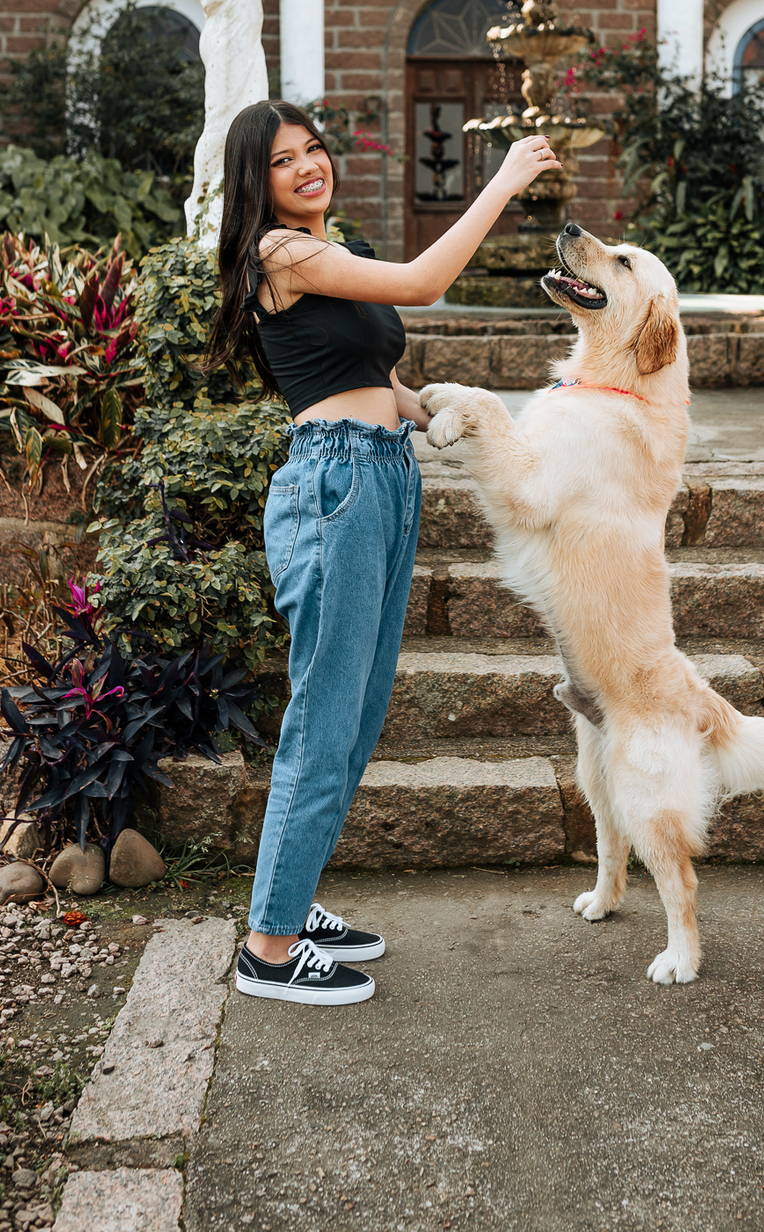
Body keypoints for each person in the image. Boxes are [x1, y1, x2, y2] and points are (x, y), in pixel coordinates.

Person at [209, 99, 561, 1004]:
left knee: (356, 718)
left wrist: (456, 413)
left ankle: (289, 899)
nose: (307, 167)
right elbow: (422, 284)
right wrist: (504, 180)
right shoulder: (280, 253)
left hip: (382, 476)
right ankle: (268, 951)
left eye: (314, 149)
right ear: (259, 182)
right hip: (333, 488)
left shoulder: (329, 250)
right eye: (284, 160)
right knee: (324, 721)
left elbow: (377, 385)